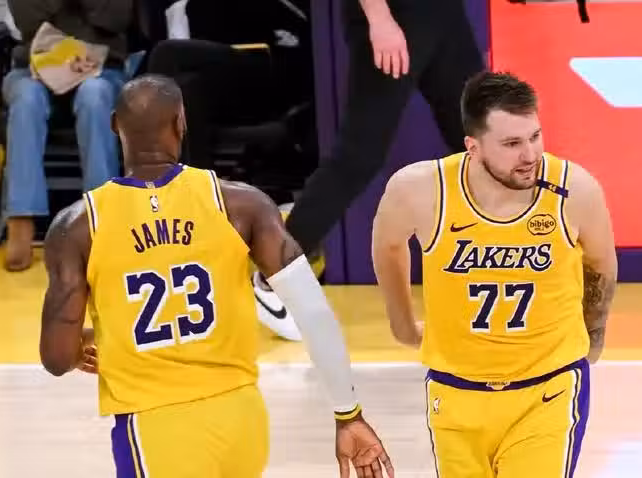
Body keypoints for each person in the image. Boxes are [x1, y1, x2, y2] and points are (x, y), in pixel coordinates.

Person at [39, 74, 394, 478]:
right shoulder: (241, 205)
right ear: (181, 122)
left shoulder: (78, 226)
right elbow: (313, 313)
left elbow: (56, 357)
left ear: (114, 125)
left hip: (155, 426)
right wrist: (348, 415)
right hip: (241, 420)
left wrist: (89, 342)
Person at [371, 71, 617, 477]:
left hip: (548, 389)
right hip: (455, 390)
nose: (530, 154)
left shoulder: (575, 189)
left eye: (535, 136)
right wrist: (402, 326)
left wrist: (594, 336)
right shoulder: (420, 189)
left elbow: (601, 264)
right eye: (512, 144)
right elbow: (388, 244)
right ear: (473, 147)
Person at [253, 0, 485, 341]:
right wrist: (380, 19)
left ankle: (506, 270)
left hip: (443, 13)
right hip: (397, 14)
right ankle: (273, 277)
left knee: (480, 141)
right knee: (358, 155)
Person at [3, 0, 133, 271]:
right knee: (26, 99)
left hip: (102, 67)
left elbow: (115, 17)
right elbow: (29, 19)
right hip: (34, 66)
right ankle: (21, 220)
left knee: (94, 95)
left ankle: (99, 218)